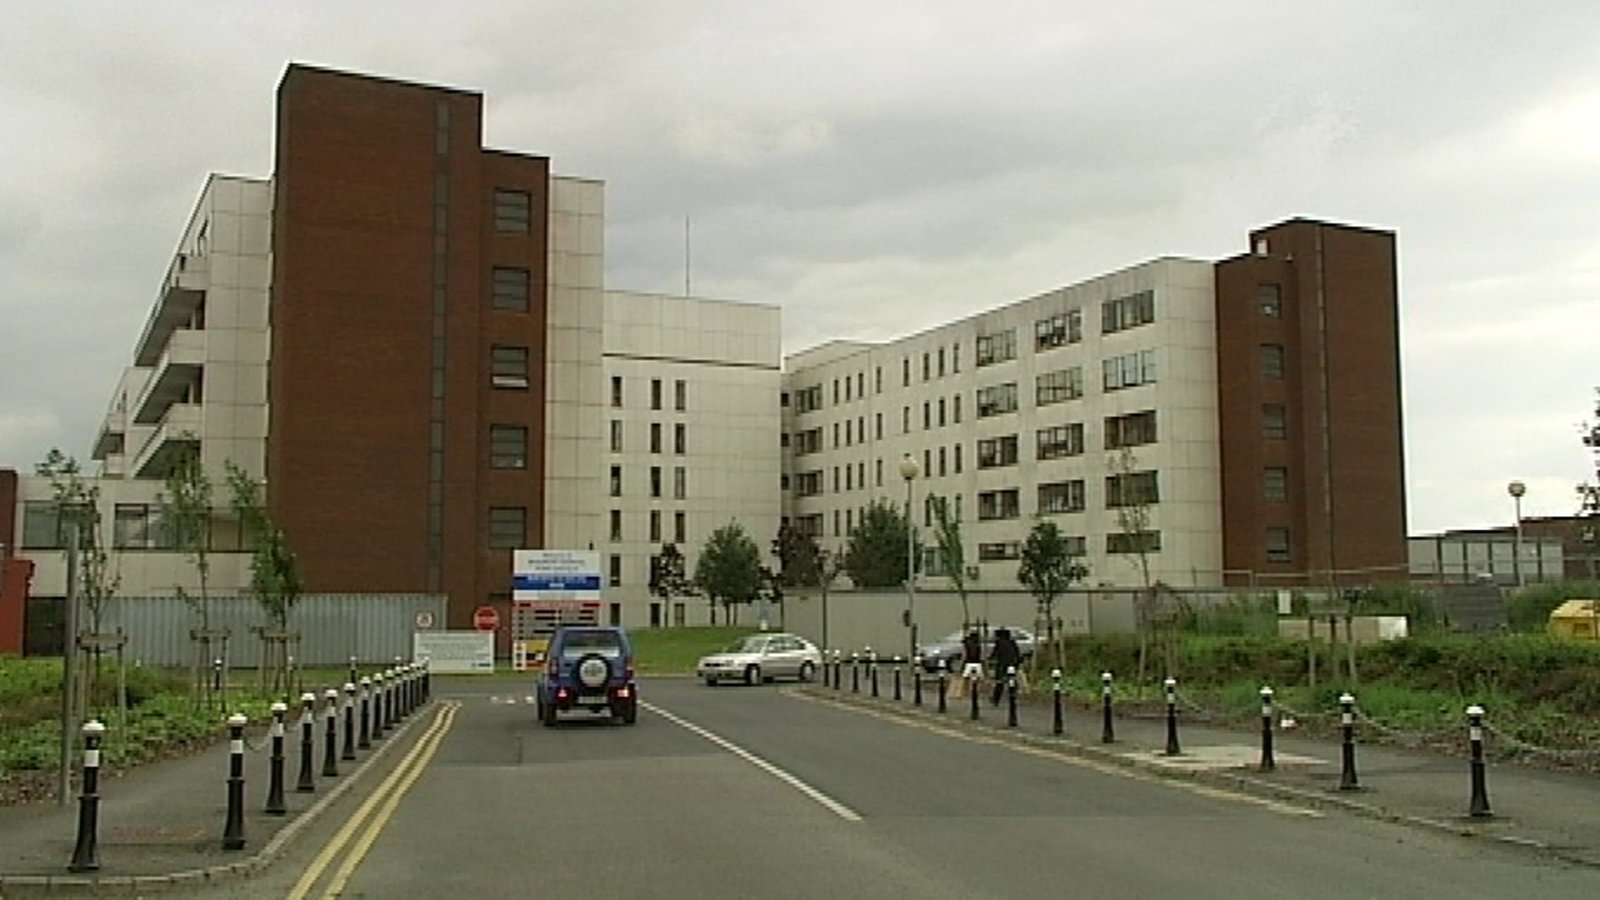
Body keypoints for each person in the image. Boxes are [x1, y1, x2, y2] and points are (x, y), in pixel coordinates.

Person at [989, 627, 1022, 706]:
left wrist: (990, 659)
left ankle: (996, 699)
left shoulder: (999, 643)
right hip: (1013, 664)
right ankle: (1013, 695)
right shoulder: (1012, 642)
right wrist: (1018, 662)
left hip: (1002, 664)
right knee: (1011, 679)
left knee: (1000, 682)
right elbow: (1017, 653)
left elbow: (995, 654)